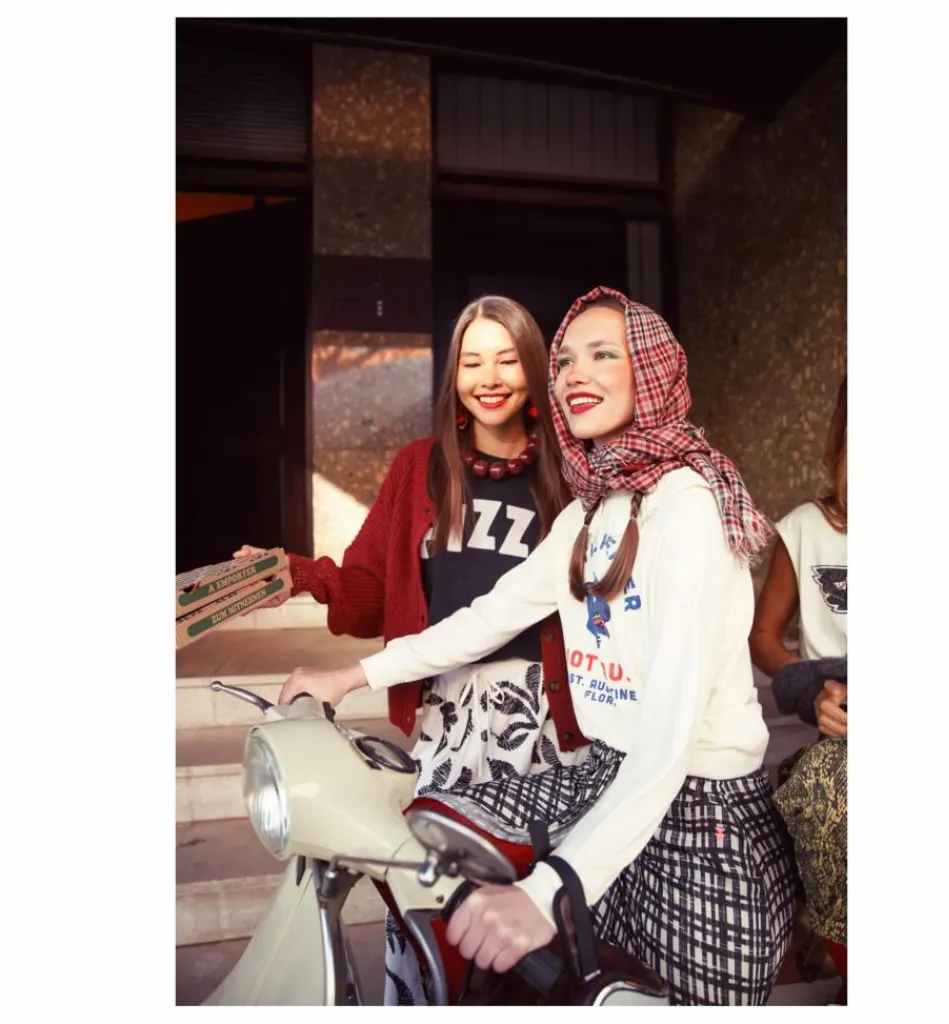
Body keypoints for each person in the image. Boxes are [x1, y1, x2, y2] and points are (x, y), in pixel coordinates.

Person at [279, 286, 799, 1006]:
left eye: (603, 354)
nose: (576, 374)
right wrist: (353, 675)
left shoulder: (689, 510)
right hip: (609, 778)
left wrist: (546, 891)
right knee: (432, 830)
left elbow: (668, 744)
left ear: (653, 372)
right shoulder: (592, 507)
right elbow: (489, 617)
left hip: (700, 810)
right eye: (567, 361)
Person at [236, 295, 589, 1005]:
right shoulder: (418, 469)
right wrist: (300, 576)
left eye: (507, 359)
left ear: (535, 369)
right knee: (434, 898)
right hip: (447, 720)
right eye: (472, 361)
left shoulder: (572, 471)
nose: (489, 378)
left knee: (536, 911)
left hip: (547, 725)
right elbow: (371, 594)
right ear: (453, 374)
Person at [749, 375, 848, 1002]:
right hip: (838, 726)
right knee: (820, 792)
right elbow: (763, 635)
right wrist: (810, 689)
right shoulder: (808, 528)